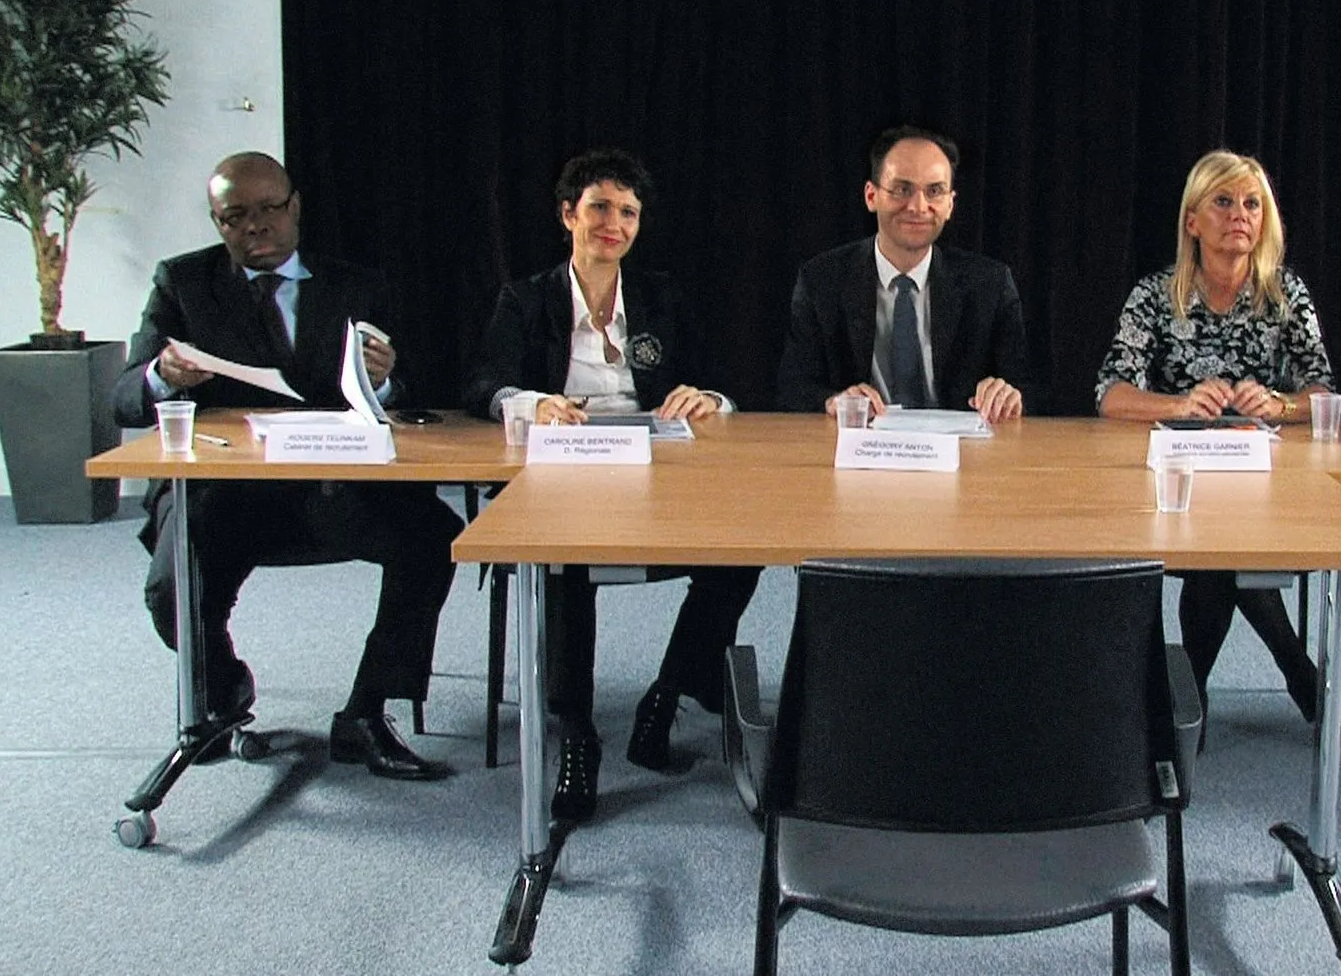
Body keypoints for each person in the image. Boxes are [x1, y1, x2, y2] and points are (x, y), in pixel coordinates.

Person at [113, 151, 461, 781]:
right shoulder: (182, 283)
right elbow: (120, 397)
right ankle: (223, 692)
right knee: (171, 594)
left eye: (269, 209)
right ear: (217, 222)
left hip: (333, 488)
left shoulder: (357, 285)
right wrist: (161, 375)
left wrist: (384, 384)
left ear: (294, 206)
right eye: (235, 216)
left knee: (433, 536)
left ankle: (366, 712)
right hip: (224, 491)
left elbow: (420, 392)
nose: (255, 227)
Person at [464, 148, 760, 821]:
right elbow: (482, 383)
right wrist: (530, 402)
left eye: (628, 211)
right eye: (600, 207)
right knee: (562, 560)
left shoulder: (660, 297)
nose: (614, 223)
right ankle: (577, 734)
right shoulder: (528, 297)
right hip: (565, 474)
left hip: (657, 476)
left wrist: (706, 396)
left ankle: (669, 693)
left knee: (743, 551)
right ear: (569, 214)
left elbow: (723, 382)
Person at [1096, 149, 1332, 733]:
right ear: (1192, 220)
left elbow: (1321, 392)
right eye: (1223, 202)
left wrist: (1281, 405)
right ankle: (1295, 667)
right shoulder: (1155, 296)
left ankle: (1189, 700)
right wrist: (1176, 406)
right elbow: (1110, 394)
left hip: (1263, 485)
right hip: (1176, 483)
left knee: (1220, 557)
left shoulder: (1286, 295)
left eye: (1252, 204)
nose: (1239, 216)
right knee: (1218, 555)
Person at [776, 124, 1030, 422]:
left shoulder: (990, 283)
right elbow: (793, 388)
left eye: (934, 191)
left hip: (961, 455)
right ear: (871, 196)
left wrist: (1010, 395)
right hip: (858, 452)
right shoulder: (822, 280)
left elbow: (1031, 387)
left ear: (950, 204)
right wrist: (833, 402)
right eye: (902, 190)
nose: (918, 206)